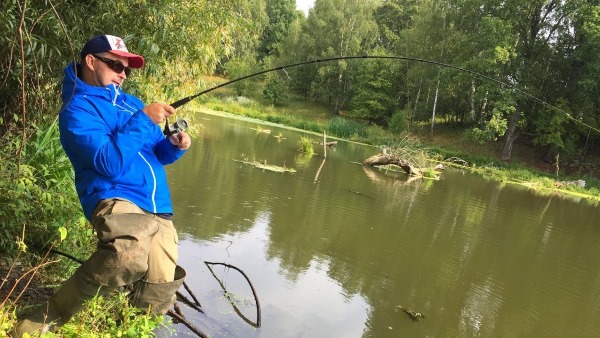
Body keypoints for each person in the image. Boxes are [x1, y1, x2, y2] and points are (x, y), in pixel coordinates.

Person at [11, 34, 191, 336]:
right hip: (114, 195)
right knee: (126, 254)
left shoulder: (131, 104)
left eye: (126, 69)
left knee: (160, 286)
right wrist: (144, 119)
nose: (122, 74)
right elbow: (108, 162)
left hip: (158, 204)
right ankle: (40, 321)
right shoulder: (77, 110)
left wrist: (175, 145)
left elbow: (155, 152)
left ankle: (124, 330)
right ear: (91, 61)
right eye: (115, 65)